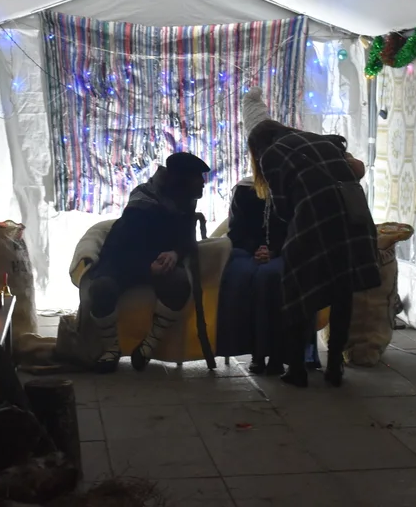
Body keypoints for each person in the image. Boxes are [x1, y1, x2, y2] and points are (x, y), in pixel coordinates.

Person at [247, 118, 380, 388]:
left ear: (258, 147)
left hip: (316, 222)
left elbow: (283, 209)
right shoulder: (322, 141)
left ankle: (297, 369)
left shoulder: (272, 155)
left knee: (298, 291)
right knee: (343, 290)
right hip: (355, 221)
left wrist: (279, 244)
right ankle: (334, 365)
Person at [85, 152, 211, 373]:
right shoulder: (142, 202)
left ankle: (147, 348)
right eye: (197, 177)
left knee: (180, 284)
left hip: (160, 263)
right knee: (101, 288)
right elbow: (124, 247)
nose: (202, 182)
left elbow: (186, 238)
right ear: (182, 180)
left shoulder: (184, 201)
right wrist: (146, 266)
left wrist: (174, 253)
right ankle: (111, 349)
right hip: (124, 263)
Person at [221, 176, 289, 374]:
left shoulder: (290, 187)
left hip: (284, 251)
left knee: (271, 277)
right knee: (241, 276)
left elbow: (296, 228)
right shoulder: (244, 190)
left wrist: (274, 250)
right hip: (247, 251)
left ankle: (277, 354)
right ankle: (256, 353)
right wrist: (257, 249)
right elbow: (236, 232)